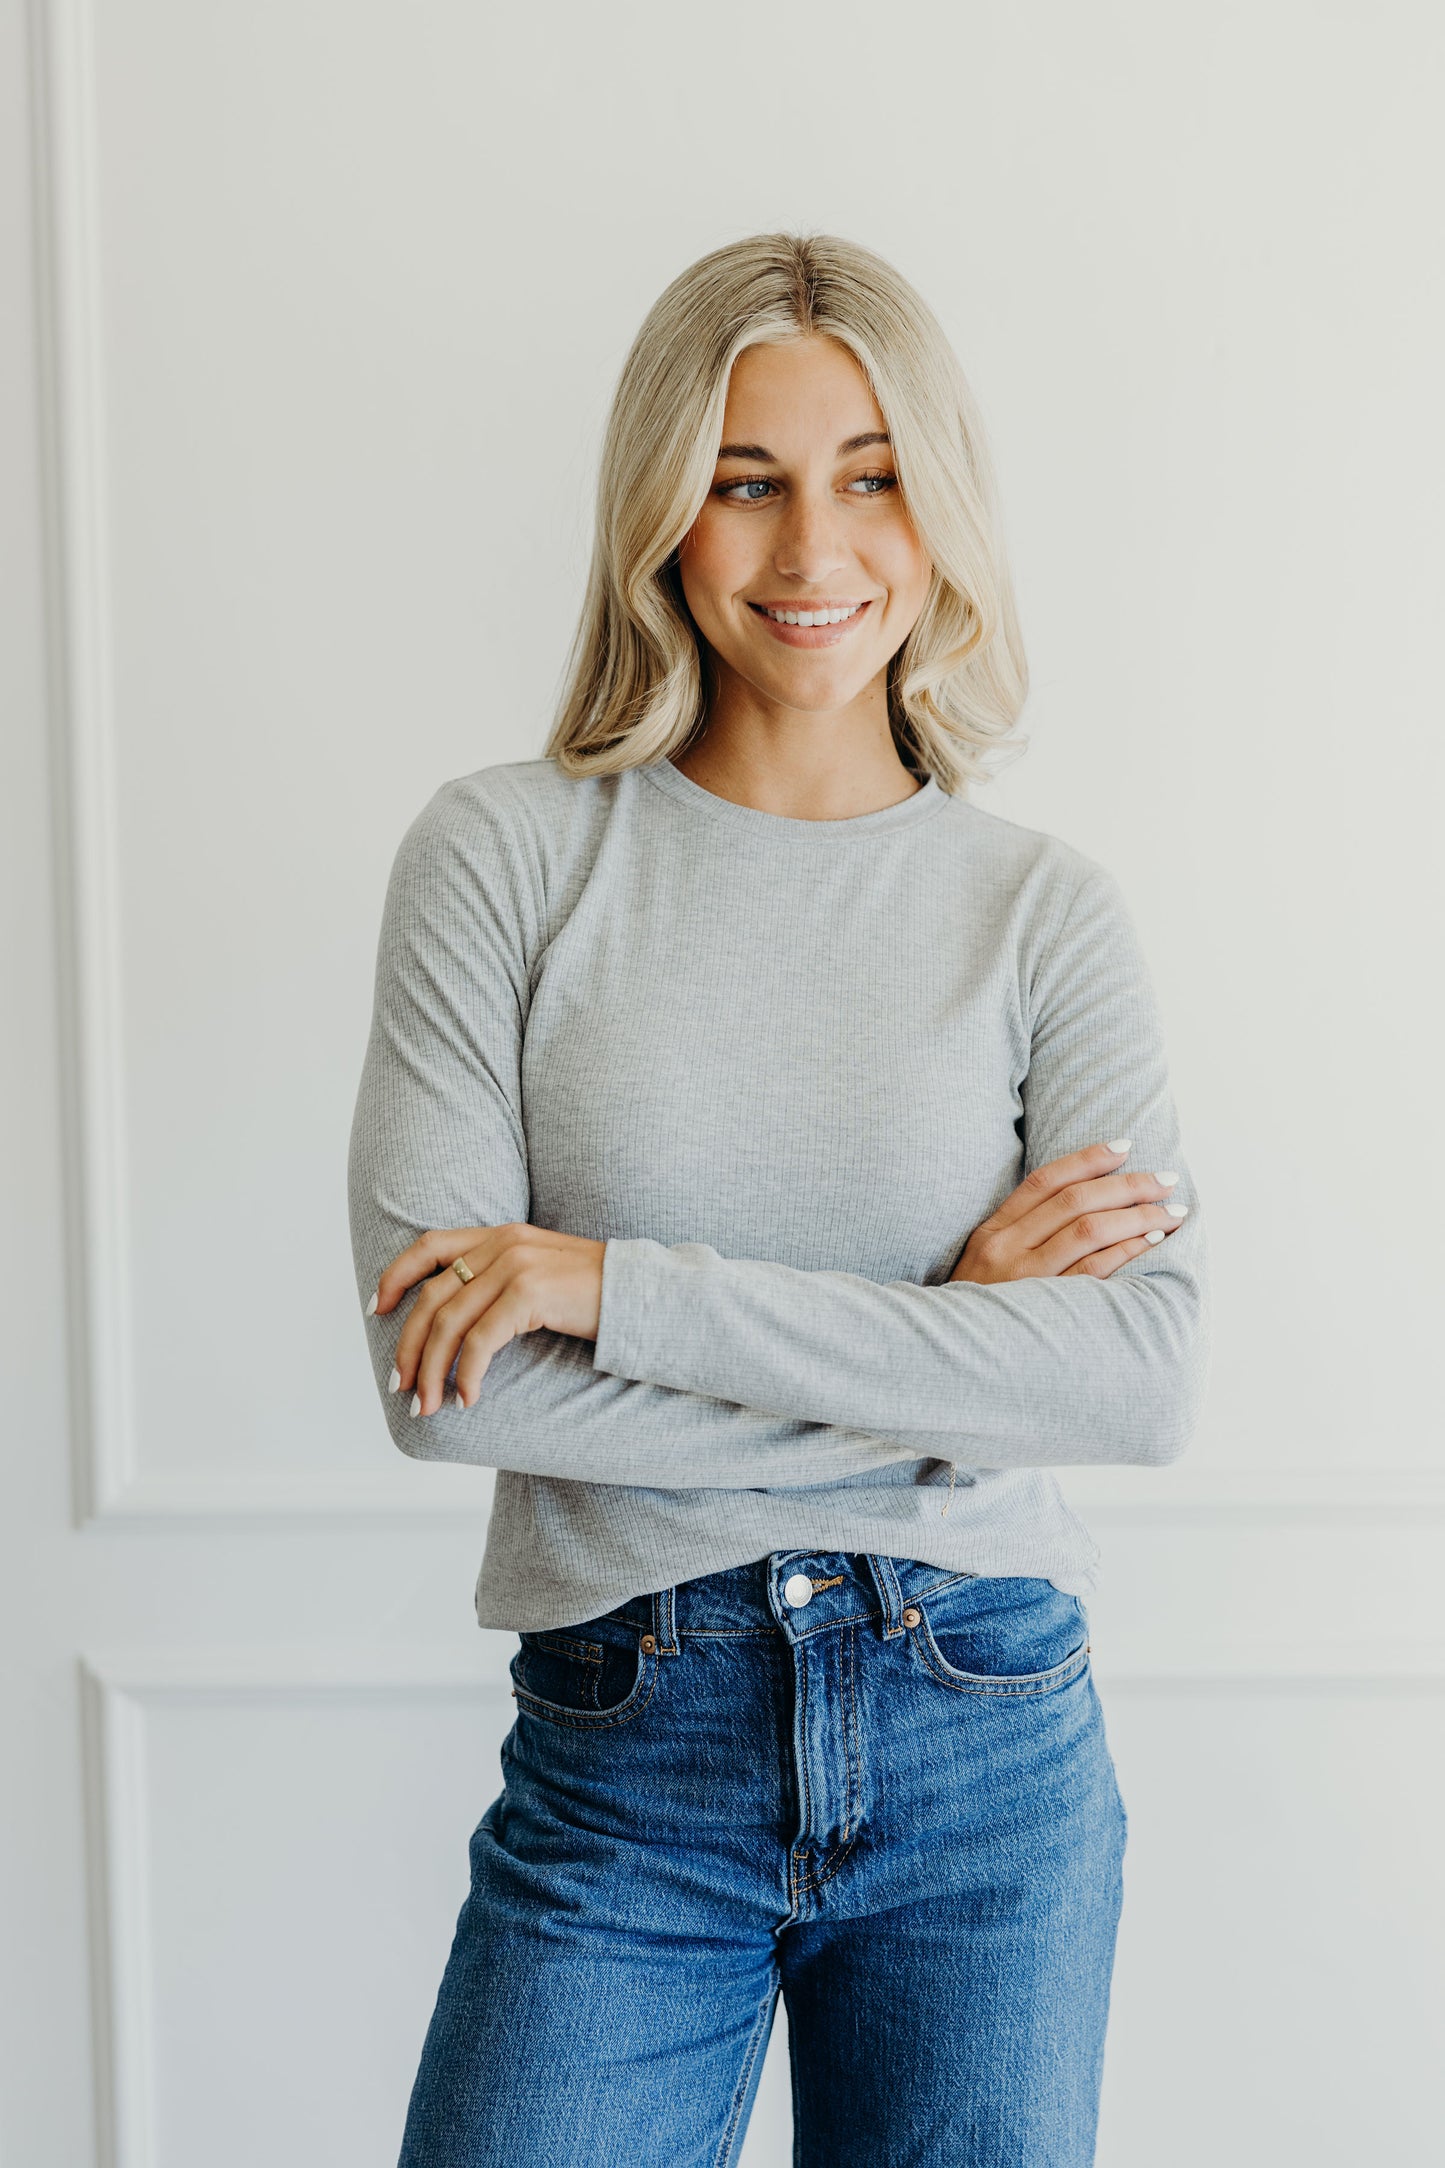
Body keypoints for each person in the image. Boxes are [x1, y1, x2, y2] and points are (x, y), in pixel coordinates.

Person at [347, 230, 1210, 2168]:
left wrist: (610, 1287)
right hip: (626, 1754)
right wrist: (964, 1326)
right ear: (663, 505)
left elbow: (1138, 1379)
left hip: (987, 1739)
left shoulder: (1042, 910)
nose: (814, 548)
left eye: (869, 472)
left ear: (942, 506)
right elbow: (447, 1383)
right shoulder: (504, 856)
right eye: (746, 479)